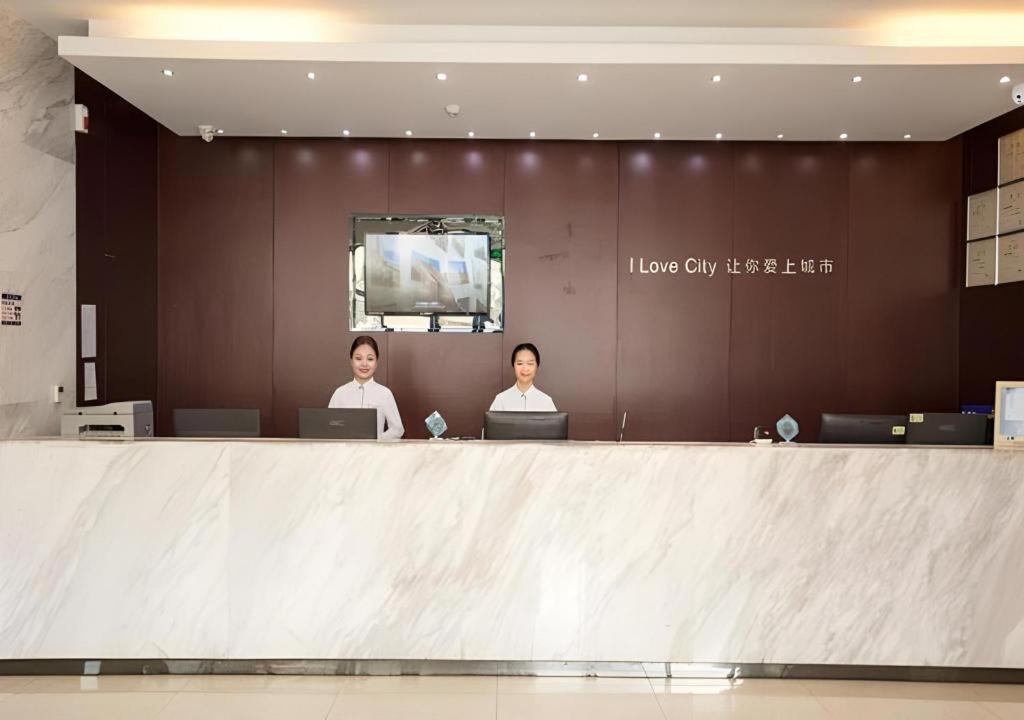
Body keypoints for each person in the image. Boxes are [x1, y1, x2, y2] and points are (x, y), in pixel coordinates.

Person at [328, 336, 404, 439]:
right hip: (345, 449)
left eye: (370, 359)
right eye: (358, 358)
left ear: (376, 363)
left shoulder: (385, 393)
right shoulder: (340, 393)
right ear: (351, 361)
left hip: (375, 449)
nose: (364, 364)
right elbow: (330, 427)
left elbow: (398, 429)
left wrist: (377, 440)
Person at [489, 342, 557, 411]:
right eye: (520, 363)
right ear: (513, 366)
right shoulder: (501, 400)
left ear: (537, 366)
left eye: (530, 363)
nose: (525, 368)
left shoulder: (546, 402)